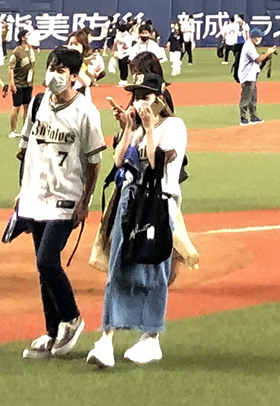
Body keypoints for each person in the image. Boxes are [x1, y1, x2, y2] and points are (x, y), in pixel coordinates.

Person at [88, 71, 187, 368]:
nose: (139, 101)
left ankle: (151, 338)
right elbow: (119, 161)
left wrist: (150, 128)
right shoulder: (134, 127)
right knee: (117, 267)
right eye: (135, 95)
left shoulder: (174, 126)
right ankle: (106, 338)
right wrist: (130, 129)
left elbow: (157, 163)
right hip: (129, 204)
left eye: (145, 95)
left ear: (160, 97)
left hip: (157, 206)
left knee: (154, 270)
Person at [16, 47, 104, 360]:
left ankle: (72, 317)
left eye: (62, 69)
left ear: (73, 76)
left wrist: (86, 200)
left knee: (46, 260)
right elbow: (25, 149)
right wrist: (22, 190)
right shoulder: (38, 103)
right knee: (42, 268)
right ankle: (52, 331)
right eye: (52, 66)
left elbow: (94, 162)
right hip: (35, 196)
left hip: (67, 197)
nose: (54, 73)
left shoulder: (85, 113)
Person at [237, 32, 276, 126]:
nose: (260, 39)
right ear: (254, 37)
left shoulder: (251, 45)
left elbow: (258, 61)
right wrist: (268, 52)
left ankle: (253, 116)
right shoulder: (248, 46)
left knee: (253, 97)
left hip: (251, 75)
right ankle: (243, 118)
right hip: (247, 76)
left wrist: (266, 57)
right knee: (246, 97)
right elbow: (258, 59)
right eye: (258, 37)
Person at [8, 30, 36, 139]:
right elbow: (11, 67)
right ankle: (13, 130)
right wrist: (12, 83)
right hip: (19, 83)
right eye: (28, 36)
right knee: (16, 106)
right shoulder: (17, 52)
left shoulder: (31, 50)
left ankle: (26, 129)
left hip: (28, 83)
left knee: (27, 107)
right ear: (23, 38)